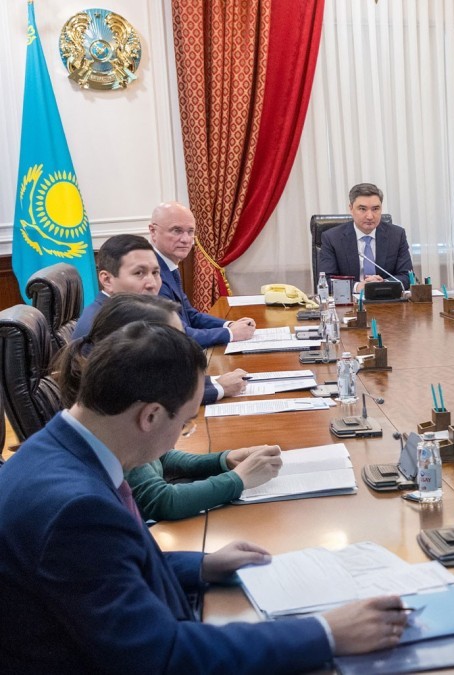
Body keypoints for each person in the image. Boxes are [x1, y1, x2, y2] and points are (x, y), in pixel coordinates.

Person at [0, 322, 409, 672]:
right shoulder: (76, 510)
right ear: (151, 416)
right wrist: (325, 633)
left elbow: (106, 569)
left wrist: (202, 565)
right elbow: (162, 656)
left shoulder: (59, 449)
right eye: (185, 421)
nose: (183, 434)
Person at [54, 294, 282, 521]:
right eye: (184, 424)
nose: (185, 349)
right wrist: (237, 480)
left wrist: (222, 460)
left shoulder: (112, 418)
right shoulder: (111, 440)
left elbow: (160, 457)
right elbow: (160, 499)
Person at [75, 234, 247, 403]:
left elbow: (159, 379)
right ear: (107, 280)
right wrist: (219, 389)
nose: (152, 284)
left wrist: (215, 382)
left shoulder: (126, 312)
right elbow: (143, 396)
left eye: (155, 272)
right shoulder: (107, 324)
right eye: (139, 273)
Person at [149, 201, 257, 348]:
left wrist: (230, 325)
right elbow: (178, 335)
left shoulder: (168, 265)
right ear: (153, 231)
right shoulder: (153, 275)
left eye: (190, 231)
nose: (186, 239)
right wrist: (230, 333)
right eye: (176, 230)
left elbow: (190, 315)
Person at [317, 183, 413, 286]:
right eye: (362, 209)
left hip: (385, 295)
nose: (370, 216)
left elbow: (407, 276)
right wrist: (357, 286)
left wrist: (384, 284)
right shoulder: (332, 238)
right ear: (351, 209)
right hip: (352, 295)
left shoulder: (397, 235)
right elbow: (326, 280)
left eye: (375, 209)